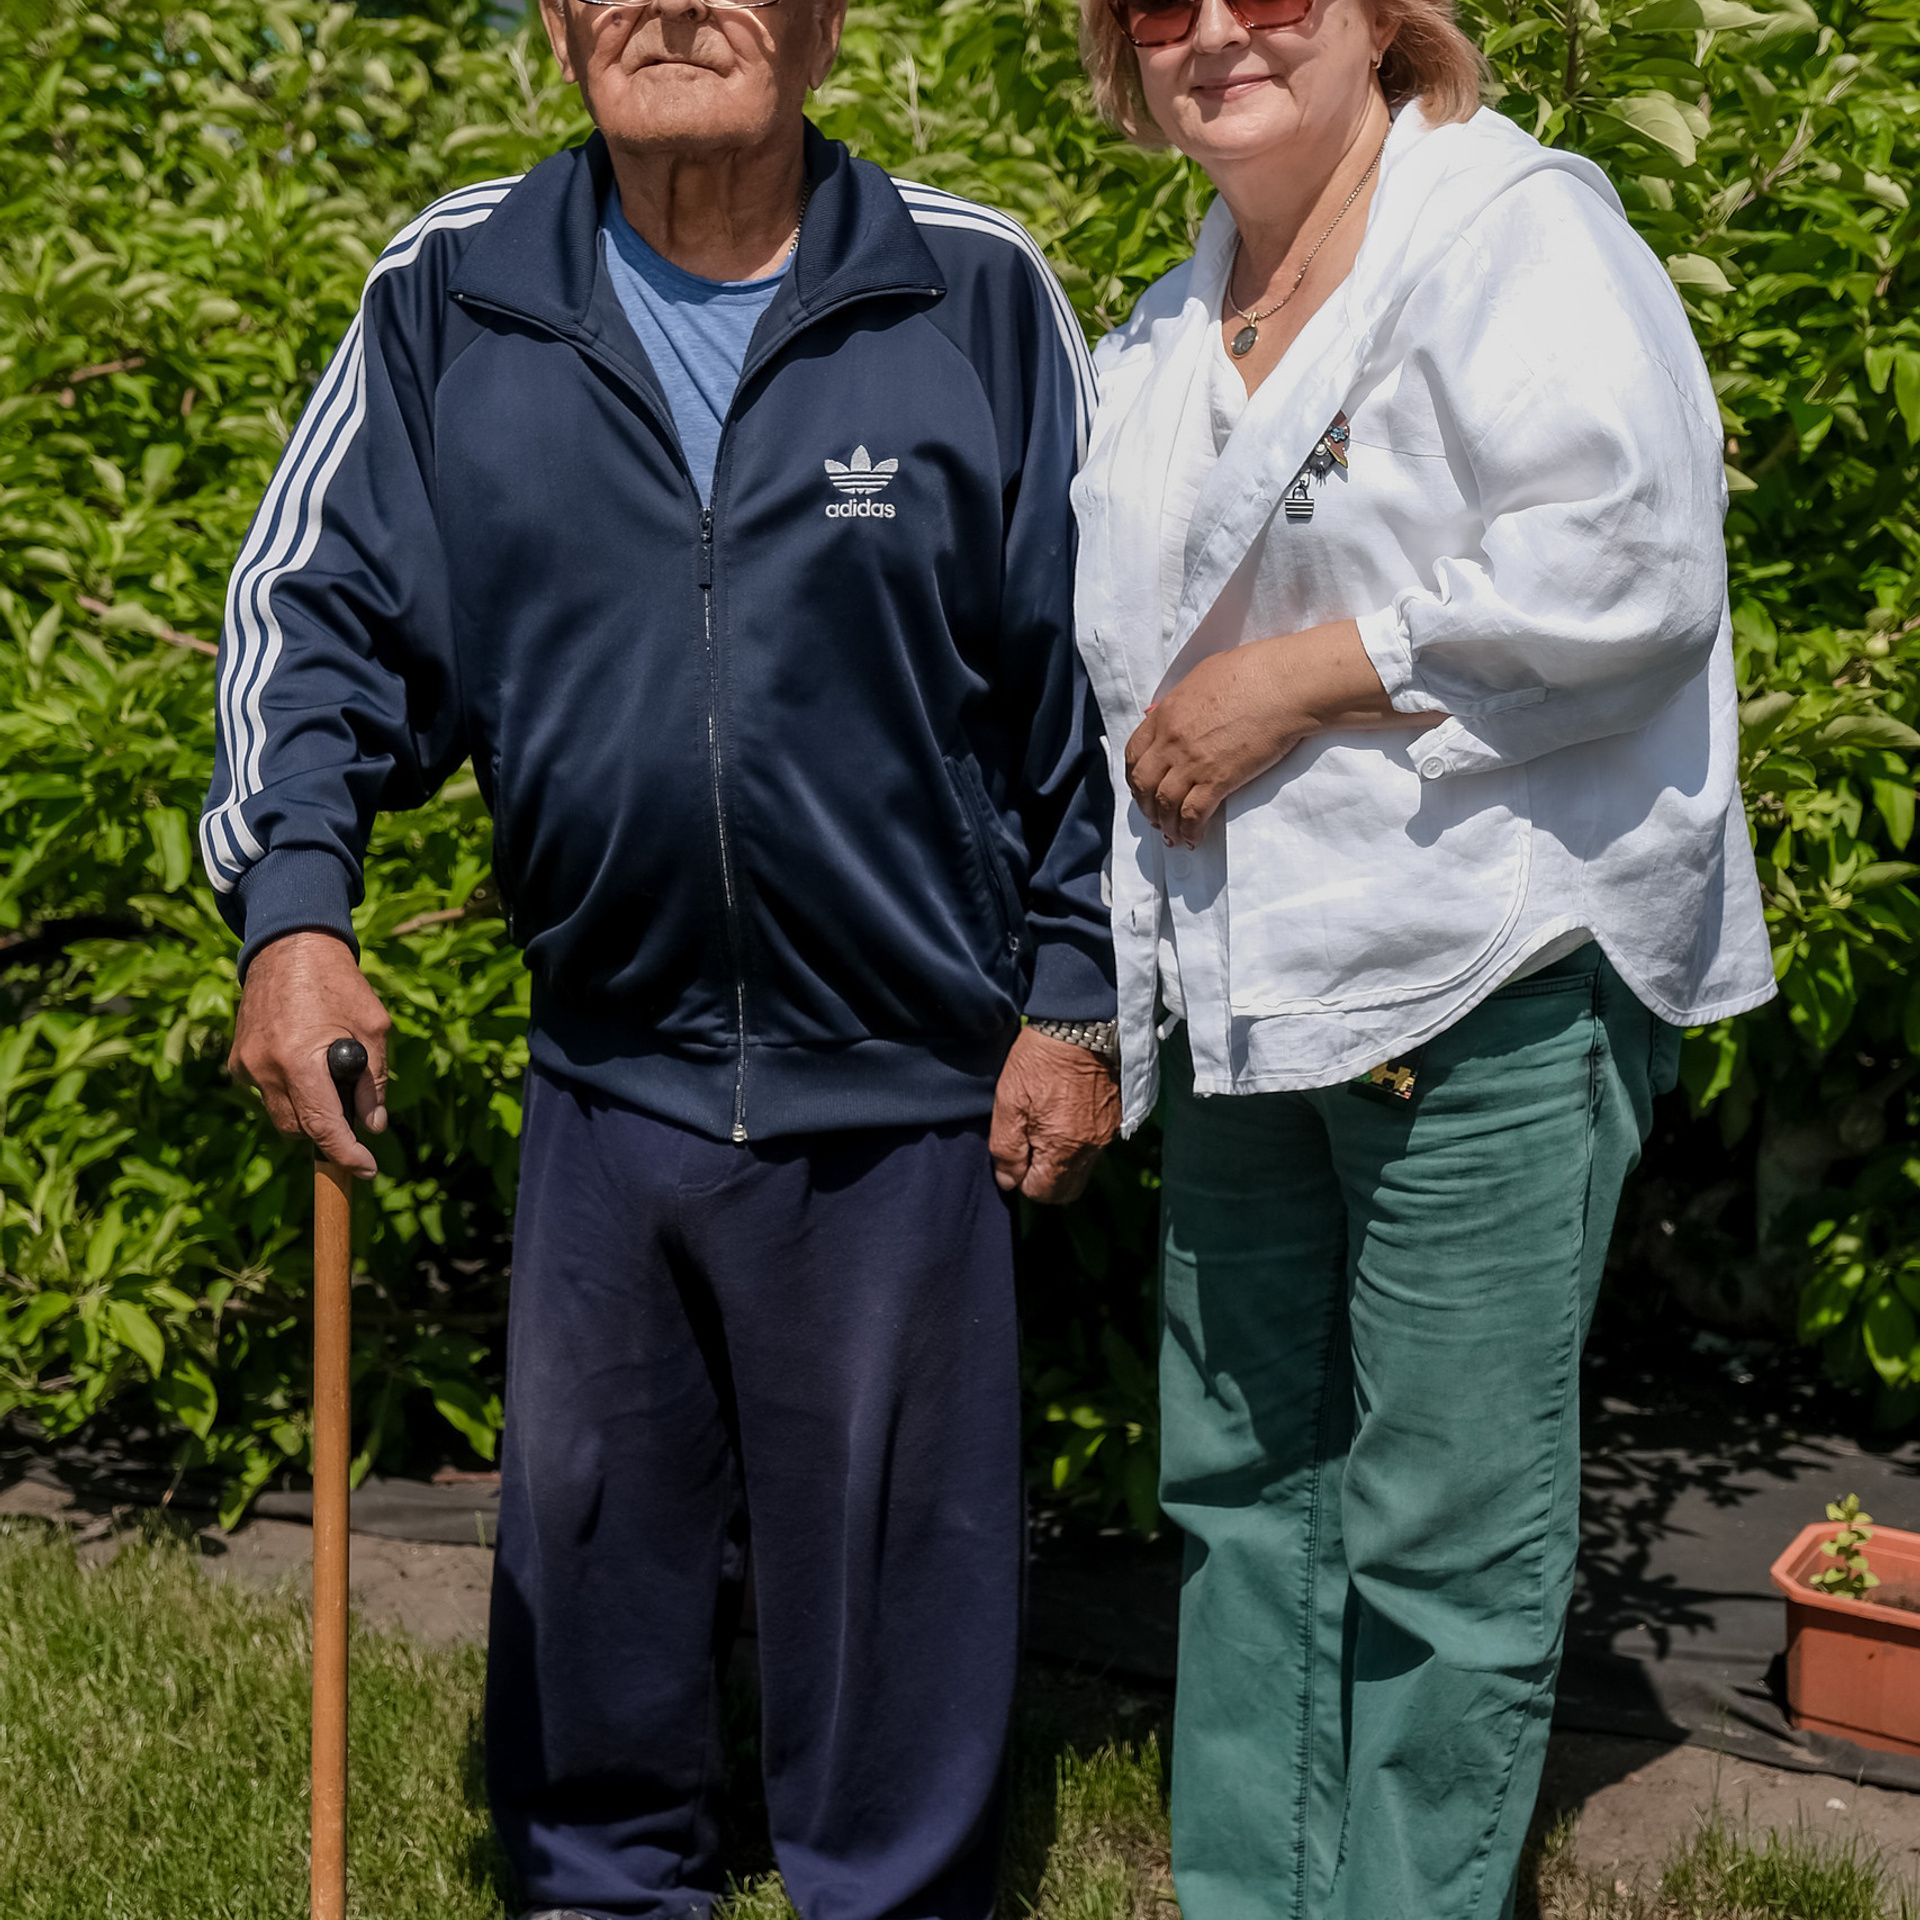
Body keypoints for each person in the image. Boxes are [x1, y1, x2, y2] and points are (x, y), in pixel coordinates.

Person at [203, 0, 1121, 1912]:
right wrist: (296, 907)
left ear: (829, 24)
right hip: (609, 1072)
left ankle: (888, 1890)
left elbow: (1092, 677)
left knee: (894, 1609)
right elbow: (321, 618)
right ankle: (602, 1888)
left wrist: (1080, 989)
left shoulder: (968, 293)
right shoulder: (455, 289)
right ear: (555, 27)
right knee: (595, 1574)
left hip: (907, 1098)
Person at [1069, 0, 1775, 1910]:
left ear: (1380, 19)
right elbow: (1125, 694)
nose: (1217, 32)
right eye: (1159, 6)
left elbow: (1628, 557)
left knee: (1443, 1532)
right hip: (1250, 994)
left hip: (1485, 974)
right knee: (1244, 1506)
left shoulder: (1517, 230)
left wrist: (1302, 678)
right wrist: (1099, 999)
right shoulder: (1156, 332)